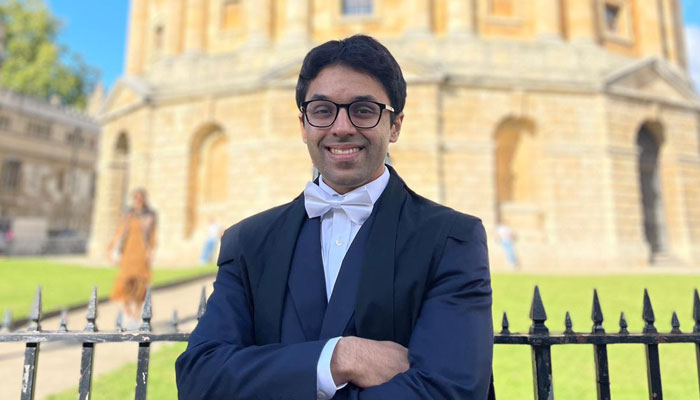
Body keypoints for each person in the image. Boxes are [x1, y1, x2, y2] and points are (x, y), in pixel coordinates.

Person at [176, 35, 494, 399]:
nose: (341, 127)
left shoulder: (452, 238)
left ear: (395, 125)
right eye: (323, 110)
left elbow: (448, 390)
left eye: (363, 109)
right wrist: (337, 358)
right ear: (303, 125)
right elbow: (200, 377)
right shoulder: (247, 241)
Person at [107, 188, 157, 326]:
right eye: (136, 198)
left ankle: (137, 314)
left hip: (141, 253)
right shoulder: (128, 214)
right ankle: (127, 311)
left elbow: (152, 235)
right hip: (128, 251)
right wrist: (111, 248)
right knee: (124, 281)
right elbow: (119, 231)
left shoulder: (150, 215)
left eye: (141, 198)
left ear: (144, 199)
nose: (138, 201)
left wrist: (151, 251)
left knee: (141, 284)